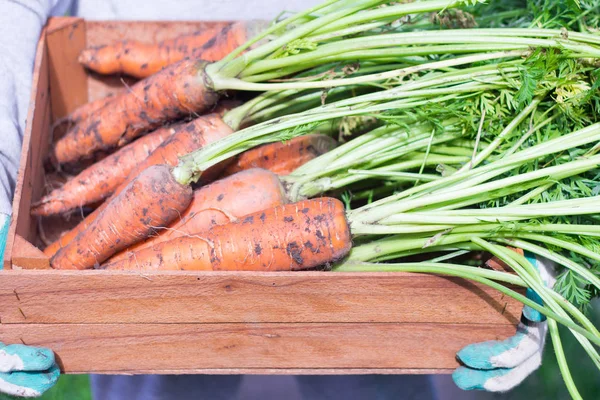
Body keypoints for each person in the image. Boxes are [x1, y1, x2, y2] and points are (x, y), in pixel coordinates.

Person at [0, 1, 555, 398]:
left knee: (368, 365)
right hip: (219, 59)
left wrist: (534, 271)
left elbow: (542, 133)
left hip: (360, 262)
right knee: (145, 348)